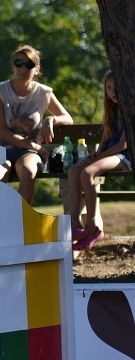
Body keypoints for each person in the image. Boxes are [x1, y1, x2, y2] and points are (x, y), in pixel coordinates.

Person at [0, 45, 72, 204]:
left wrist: (50, 119)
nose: (23, 68)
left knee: (27, 171)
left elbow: (67, 117)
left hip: (28, 152)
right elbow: (1, 131)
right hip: (0, 148)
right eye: (19, 63)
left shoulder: (43, 93)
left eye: (29, 64)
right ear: (13, 66)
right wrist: (38, 146)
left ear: (37, 69)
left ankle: (20, 220)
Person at [68, 71, 130, 251]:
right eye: (109, 88)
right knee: (74, 170)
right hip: (108, 154)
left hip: (124, 156)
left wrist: (98, 159)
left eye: (116, 87)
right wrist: (94, 155)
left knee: (87, 173)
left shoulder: (129, 109)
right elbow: (105, 140)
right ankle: (74, 224)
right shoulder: (111, 111)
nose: (113, 91)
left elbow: (122, 144)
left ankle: (92, 227)